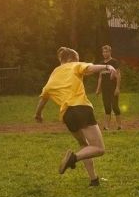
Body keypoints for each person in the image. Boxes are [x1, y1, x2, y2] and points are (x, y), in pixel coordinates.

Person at [34, 47, 118, 187]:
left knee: (84, 145)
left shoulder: (54, 74)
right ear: (71, 59)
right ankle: (73, 158)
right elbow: (90, 68)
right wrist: (107, 66)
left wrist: (38, 114)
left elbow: (44, 97)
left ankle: (94, 180)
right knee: (99, 148)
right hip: (81, 109)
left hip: (67, 115)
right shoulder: (74, 65)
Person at [94, 44, 122, 130]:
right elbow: (100, 77)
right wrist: (98, 89)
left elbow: (118, 75)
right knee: (107, 107)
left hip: (113, 88)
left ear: (110, 52)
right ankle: (106, 126)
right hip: (105, 88)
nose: (105, 53)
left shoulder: (114, 62)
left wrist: (117, 88)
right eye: (103, 52)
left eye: (106, 51)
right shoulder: (102, 64)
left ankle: (119, 126)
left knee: (115, 106)